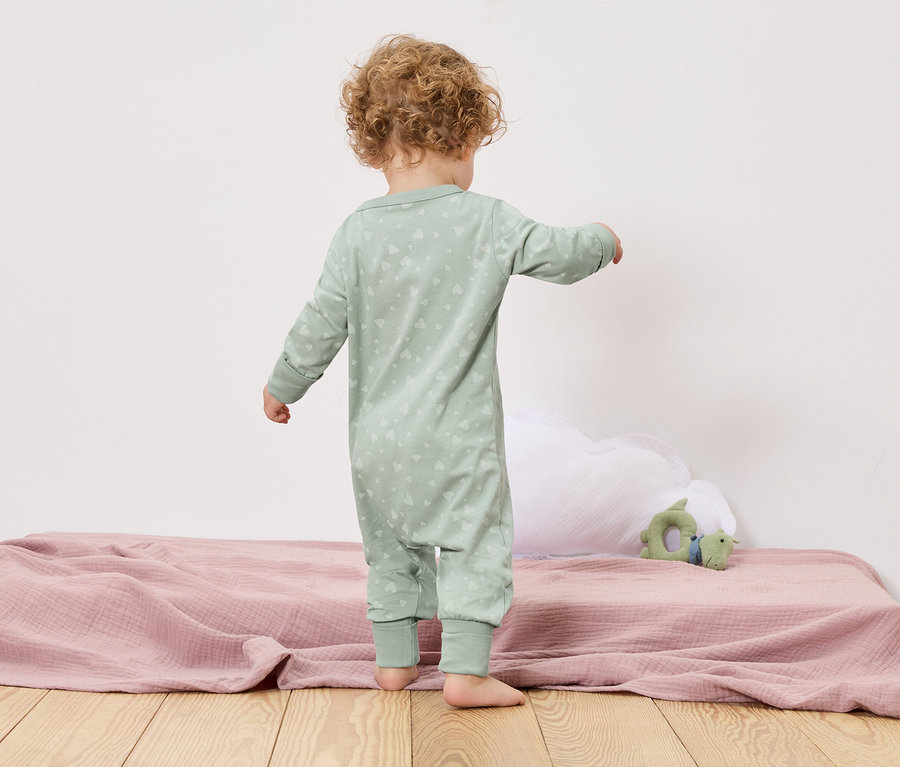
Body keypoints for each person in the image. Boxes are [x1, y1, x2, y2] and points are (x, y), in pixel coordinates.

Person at [263, 34, 623, 708]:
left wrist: (283, 384)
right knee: (472, 542)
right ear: (460, 138)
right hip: (457, 444)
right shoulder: (485, 220)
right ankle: (465, 672)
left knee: (391, 549)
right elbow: (560, 255)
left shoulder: (357, 232)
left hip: (378, 445)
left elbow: (321, 321)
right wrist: (603, 241)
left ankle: (395, 663)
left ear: (377, 145)